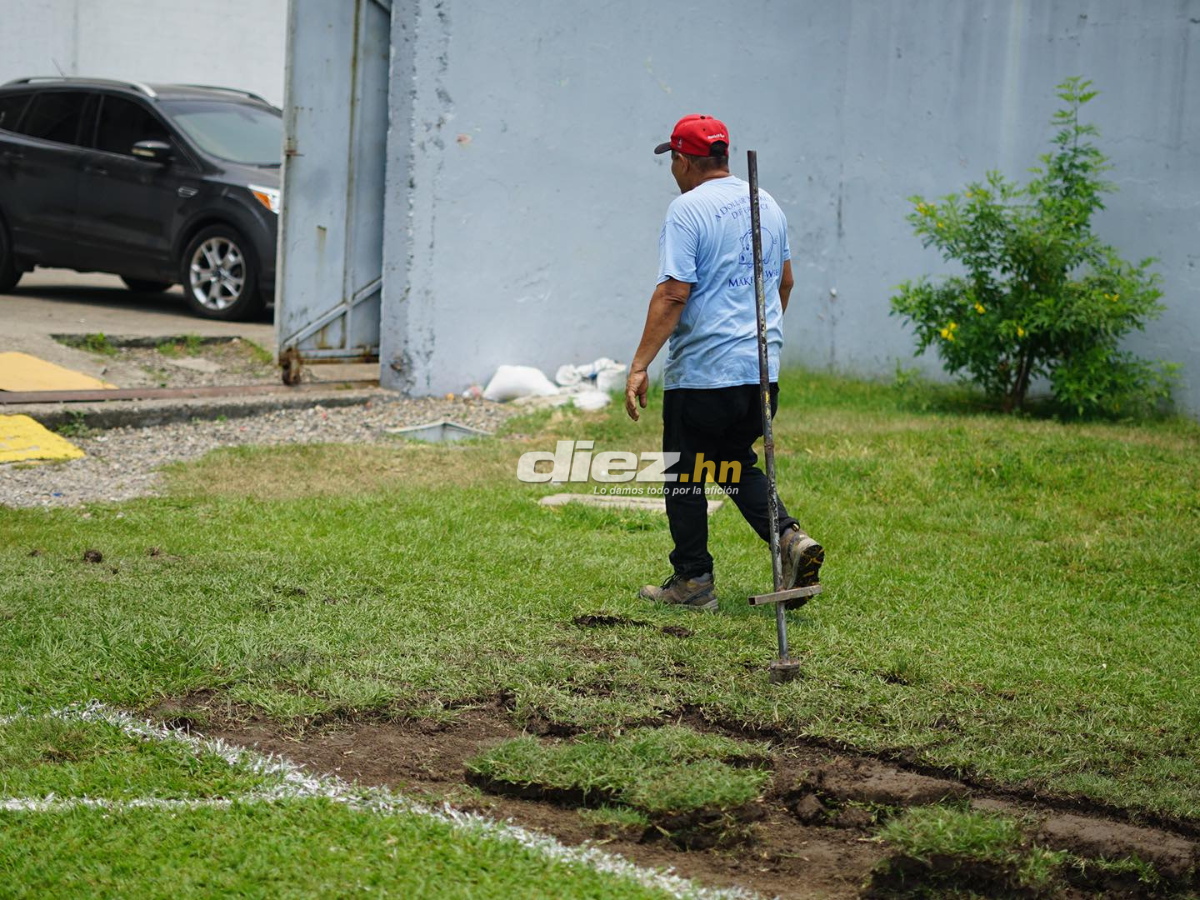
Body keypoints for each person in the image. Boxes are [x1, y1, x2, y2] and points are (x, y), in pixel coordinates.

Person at [625, 113, 823, 611]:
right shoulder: (767, 204)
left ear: (684, 159)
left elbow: (673, 293)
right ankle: (789, 538)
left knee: (686, 474)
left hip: (705, 375)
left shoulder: (687, 209)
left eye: (672, 159)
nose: (673, 170)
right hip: (760, 372)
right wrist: (760, 339)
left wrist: (640, 364)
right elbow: (786, 283)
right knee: (732, 463)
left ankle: (693, 582)